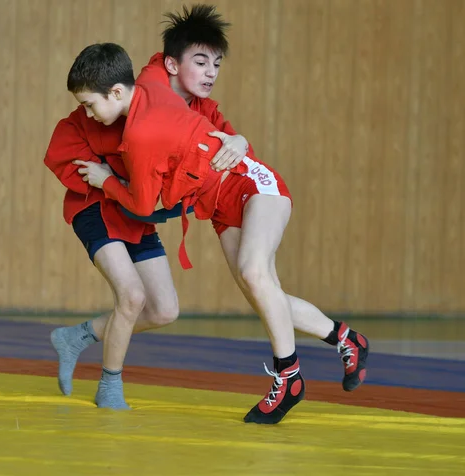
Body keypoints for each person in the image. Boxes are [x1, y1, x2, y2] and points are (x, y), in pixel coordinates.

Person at [68, 38, 370, 424]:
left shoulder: (141, 128)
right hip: (220, 207)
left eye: (90, 105)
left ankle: (289, 377)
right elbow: (165, 58)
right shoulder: (150, 79)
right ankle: (347, 339)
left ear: (115, 91)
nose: (89, 115)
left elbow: (143, 207)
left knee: (252, 273)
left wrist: (106, 180)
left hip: (253, 186)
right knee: (265, 294)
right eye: (201, 62)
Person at [42, 4, 247, 410]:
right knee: (132, 297)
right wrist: (107, 180)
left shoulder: (183, 106)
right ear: (172, 64)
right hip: (98, 205)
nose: (209, 72)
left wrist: (238, 140)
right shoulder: (150, 84)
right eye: (199, 62)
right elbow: (154, 68)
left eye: (215, 64)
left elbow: (219, 134)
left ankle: (77, 336)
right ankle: (110, 386)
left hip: (132, 207)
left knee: (165, 309)